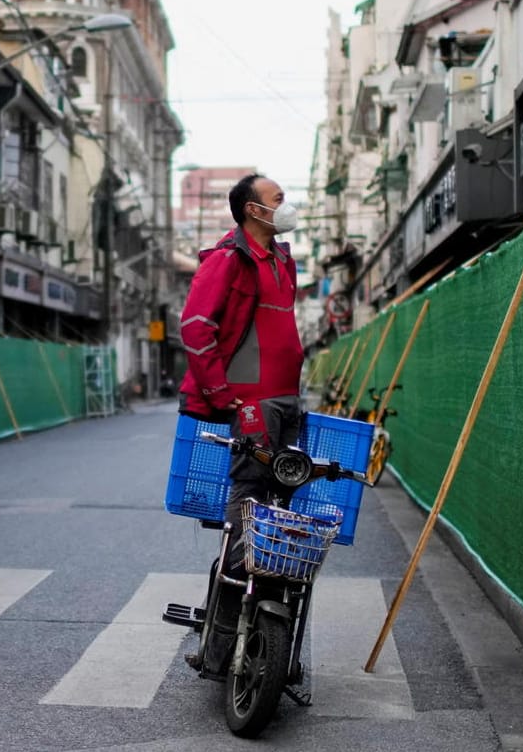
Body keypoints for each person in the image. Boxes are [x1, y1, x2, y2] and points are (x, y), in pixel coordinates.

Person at [177, 174, 304, 674]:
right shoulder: (229, 260)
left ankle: (272, 649)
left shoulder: (282, 260)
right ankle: (220, 648)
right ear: (253, 210)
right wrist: (221, 395)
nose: (285, 205)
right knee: (247, 511)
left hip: (287, 402)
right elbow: (195, 326)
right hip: (251, 404)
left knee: (283, 512)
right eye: (278, 199)